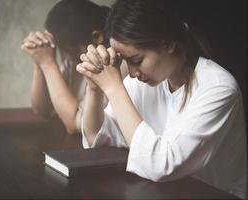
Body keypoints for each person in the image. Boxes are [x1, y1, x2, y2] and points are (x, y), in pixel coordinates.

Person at [76, 0, 246, 198]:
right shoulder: (144, 82)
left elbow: (162, 164)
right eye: (125, 61)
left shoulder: (218, 87)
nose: (131, 73)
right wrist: (94, 90)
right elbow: (99, 139)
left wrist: (114, 88)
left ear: (169, 43)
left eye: (136, 60)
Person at [21, 0, 128, 134]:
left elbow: (75, 124)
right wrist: (39, 60)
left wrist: (47, 63)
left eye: (69, 50)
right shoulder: (75, 60)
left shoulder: (117, 64)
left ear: (97, 37)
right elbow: (43, 110)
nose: (67, 57)